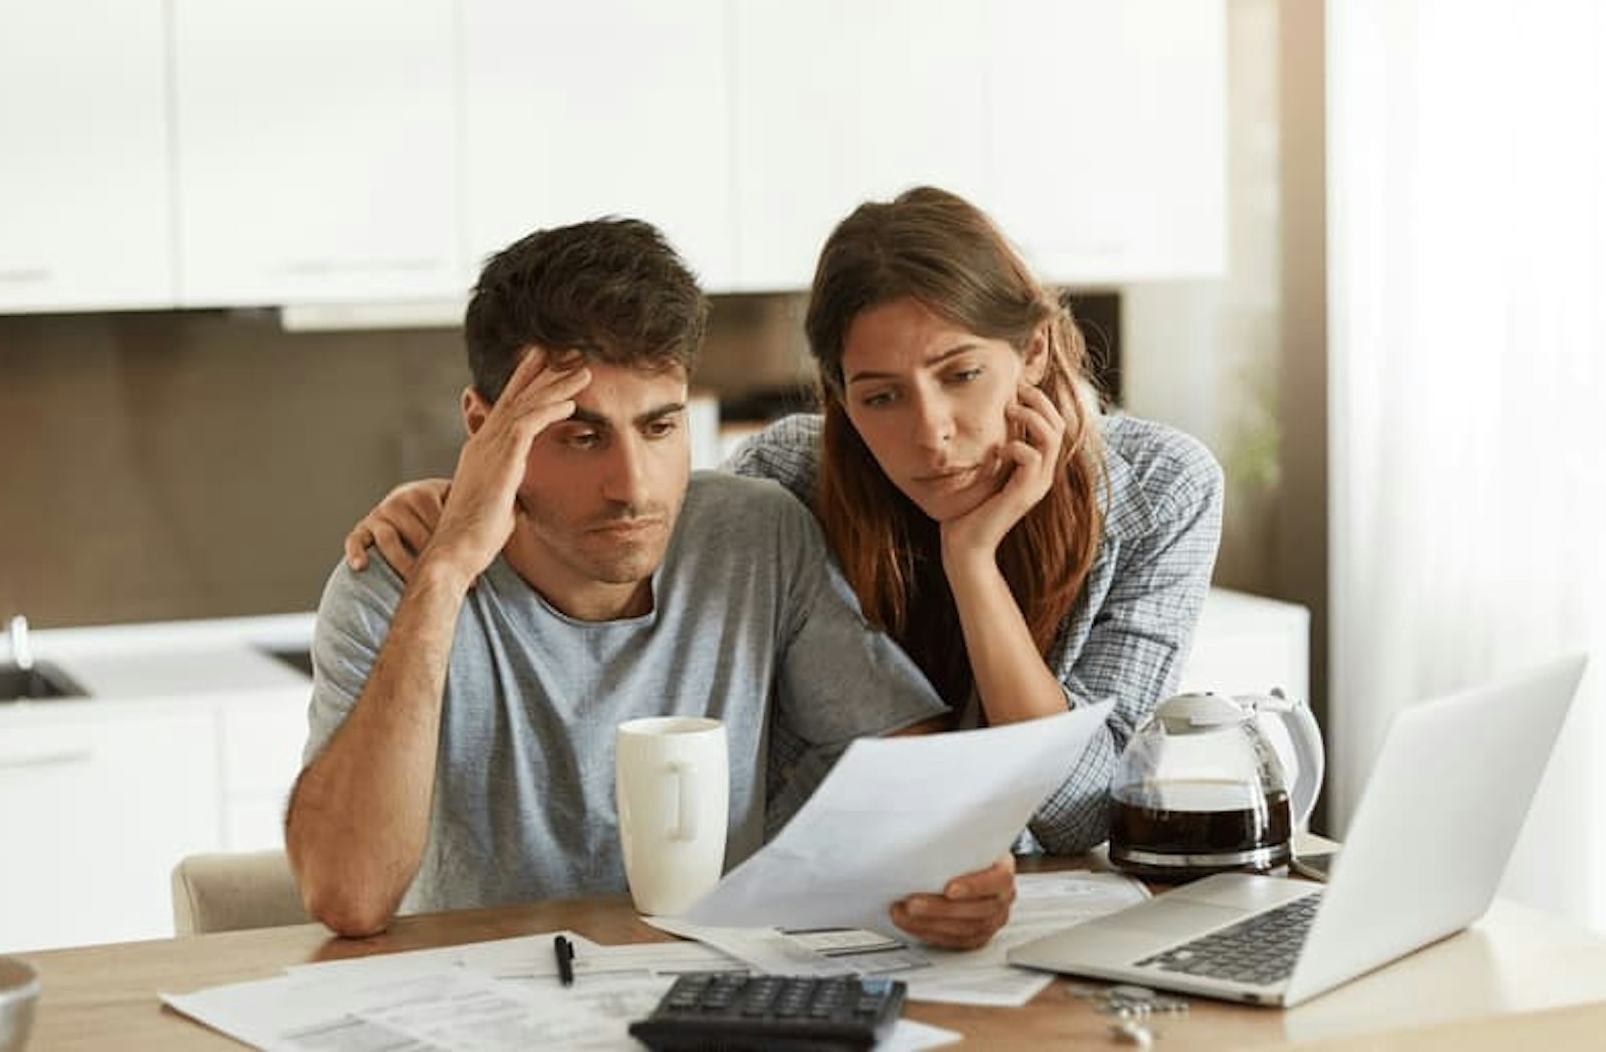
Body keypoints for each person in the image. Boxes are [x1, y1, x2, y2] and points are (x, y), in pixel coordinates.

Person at [346, 188, 1224, 855]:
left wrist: (973, 562)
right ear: (839, 396)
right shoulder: (791, 479)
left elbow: (1076, 815)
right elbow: (625, 522)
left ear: (1030, 350)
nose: (930, 434)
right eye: (880, 396)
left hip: (1018, 906)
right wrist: (458, 504)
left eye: (961, 375)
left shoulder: (1163, 492)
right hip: (833, 903)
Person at [287, 217, 1015, 948]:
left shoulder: (756, 538)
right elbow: (349, 897)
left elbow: (915, 774)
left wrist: (957, 870)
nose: (632, 488)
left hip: (711, 993)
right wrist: (445, 574)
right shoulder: (397, 579)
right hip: (483, 1005)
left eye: (660, 428)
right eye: (581, 435)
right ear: (485, 427)